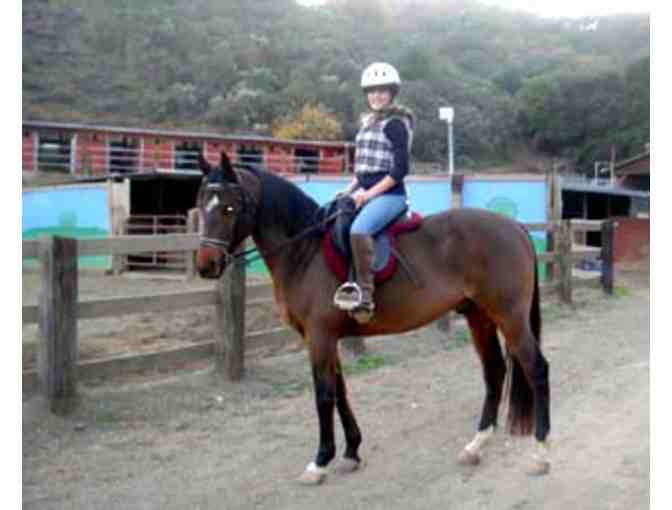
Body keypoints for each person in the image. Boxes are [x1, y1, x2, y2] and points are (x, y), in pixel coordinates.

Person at [333, 62, 415, 323]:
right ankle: (347, 281)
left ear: (392, 93)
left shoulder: (395, 124)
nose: (376, 96)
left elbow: (400, 170)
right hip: (365, 192)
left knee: (360, 230)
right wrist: (348, 191)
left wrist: (368, 196)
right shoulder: (368, 123)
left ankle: (365, 297)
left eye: (382, 91)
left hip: (391, 196)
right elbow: (363, 170)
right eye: (372, 91)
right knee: (332, 216)